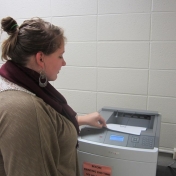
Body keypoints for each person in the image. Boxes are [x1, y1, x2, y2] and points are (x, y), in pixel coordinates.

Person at [0, 16, 106, 176]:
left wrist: (81, 120)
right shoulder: (24, 110)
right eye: (60, 56)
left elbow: (45, 123)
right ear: (40, 58)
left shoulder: (16, 81)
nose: (64, 63)